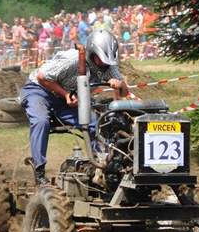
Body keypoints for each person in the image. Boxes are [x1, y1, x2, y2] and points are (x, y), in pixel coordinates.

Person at [20, 30, 128, 185]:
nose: (104, 65)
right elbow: (42, 77)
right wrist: (64, 94)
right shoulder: (72, 59)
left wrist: (119, 84)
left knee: (96, 123)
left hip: (68, 98)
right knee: (41, 121)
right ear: (92, 52)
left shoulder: (108, 66)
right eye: (100, 59)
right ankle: (39, 170)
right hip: (39, 90)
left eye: (107, 61)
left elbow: (124, 92)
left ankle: (101, 165)